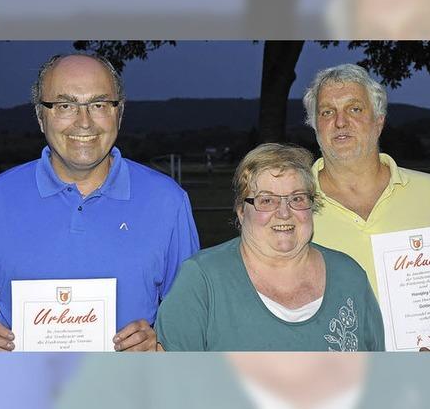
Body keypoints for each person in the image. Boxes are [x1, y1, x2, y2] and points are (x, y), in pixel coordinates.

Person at [0, 53, 200, 351]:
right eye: (65, 105)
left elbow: (193, 317)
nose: (83, 122)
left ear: (119, 113)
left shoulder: (168, 201)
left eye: (98, 104)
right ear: (40, 115)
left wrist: (161, 343)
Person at [303, 63, 430, 350]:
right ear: (315, 125)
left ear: (379, 121)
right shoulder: (295, 206)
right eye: (326, 112)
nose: (340, 122)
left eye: (355, 109)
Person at [155, 143, 384, 351]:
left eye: (297, 198)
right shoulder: (202, 279)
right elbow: (173, 382)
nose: (284, 212)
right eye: (267, 200)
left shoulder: (349, 275)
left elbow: (376, 375)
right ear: (242, 212)